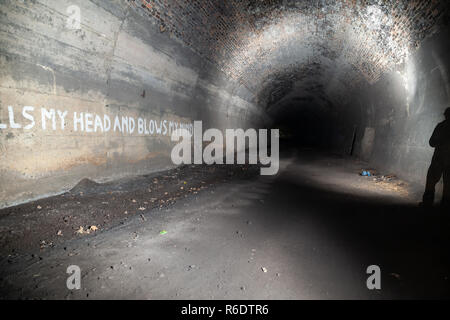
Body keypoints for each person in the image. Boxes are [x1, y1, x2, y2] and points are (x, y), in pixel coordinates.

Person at [422, 107, 450, 208]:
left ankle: (428, 203)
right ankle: (446, 205)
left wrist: (440, 142)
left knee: (431, 179)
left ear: (445, 115)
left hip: (439, 158)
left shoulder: (440, 126)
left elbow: (431, 142)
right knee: (448, 183)